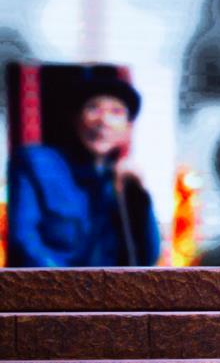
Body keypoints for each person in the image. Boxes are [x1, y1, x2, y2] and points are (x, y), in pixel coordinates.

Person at [6, 67, 162, 267]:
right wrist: (70, 284)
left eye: (116, 112)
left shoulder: (118, 178)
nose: (104, 121)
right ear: (76, 119)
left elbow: (148, 258)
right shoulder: (36, 162)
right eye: (93, 108)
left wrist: (138, 194)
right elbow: (24, 242)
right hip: (49, 284)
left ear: (127, 128)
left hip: (106, 286)